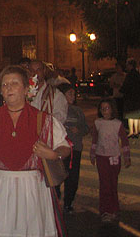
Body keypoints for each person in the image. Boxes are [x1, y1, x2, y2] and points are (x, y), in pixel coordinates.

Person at [0, 65, 70, 237]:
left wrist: (53, 155)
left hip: (33, 188)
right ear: (1, 92)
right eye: (4, 85)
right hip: (1, 187)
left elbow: (65, 147)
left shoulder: (43, 120)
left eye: (14, 83)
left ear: (26, 89)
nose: (8, 88)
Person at [90, 98, 131, 223]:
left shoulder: (118, 124)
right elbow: (95, 140)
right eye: (102, 108)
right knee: (104, 184)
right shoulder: (98, 123)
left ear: (112, 109)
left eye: (107, 108)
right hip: (101, 157)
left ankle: (114, 209)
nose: (104, 111)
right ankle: (105, 211)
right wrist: (92, 154)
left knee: (113, 184)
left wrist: (127, 157)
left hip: (114, 157)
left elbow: (124, 141)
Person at [58, 83, 89, 212]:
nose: (72, 96)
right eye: (69, 93)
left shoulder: (78, 111)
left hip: (75, 149)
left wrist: (79, 130)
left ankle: (68, 203)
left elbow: (86, 128)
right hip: (61, 149)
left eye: (73, 93)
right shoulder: (58, 110)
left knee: (72, 178)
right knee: (58, 176)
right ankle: (56, 201)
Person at [29, 60, 68, 125]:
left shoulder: (56, 94)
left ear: (44, 71)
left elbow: (61, 116)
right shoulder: (22, 93)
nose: (35, 73)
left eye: (38, 70)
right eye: (32, 70)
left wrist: (42, 118)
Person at [120, 59, 140, 138]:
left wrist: (121, 90)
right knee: (135, 115)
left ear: (130, 65)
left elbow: (126, 86)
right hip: (136, 96)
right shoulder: (137, 74)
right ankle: (136, 131)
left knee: (129, 115)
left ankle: (131, 131)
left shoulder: (129, 75)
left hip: (129, 97)